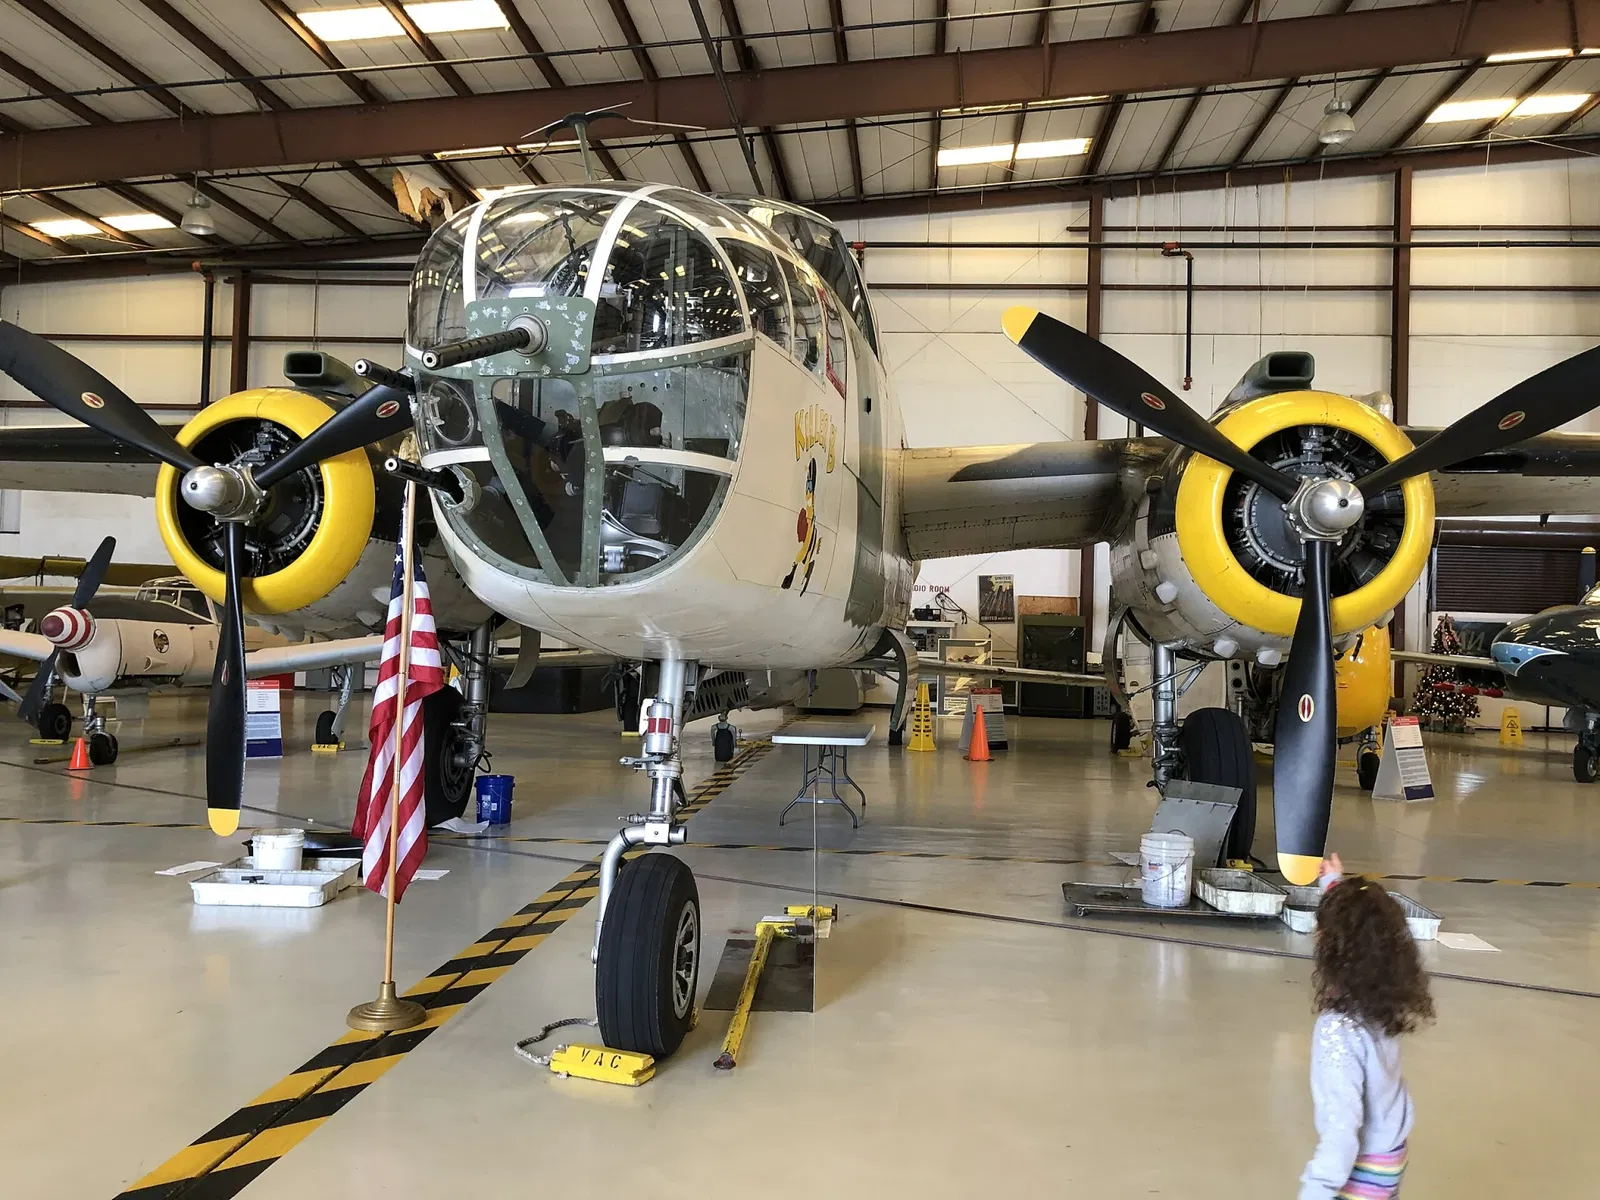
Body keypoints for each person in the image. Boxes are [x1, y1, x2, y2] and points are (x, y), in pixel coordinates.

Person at [1299, 852, 1435, 1199]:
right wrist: (1334, 886)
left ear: (1331, 950)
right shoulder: (1377, 1000)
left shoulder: (1336, 1031)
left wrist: (1315, 1191)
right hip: (1390, 1154)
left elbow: (1342, 1132)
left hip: (1362, 1170)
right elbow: (1361, 926)